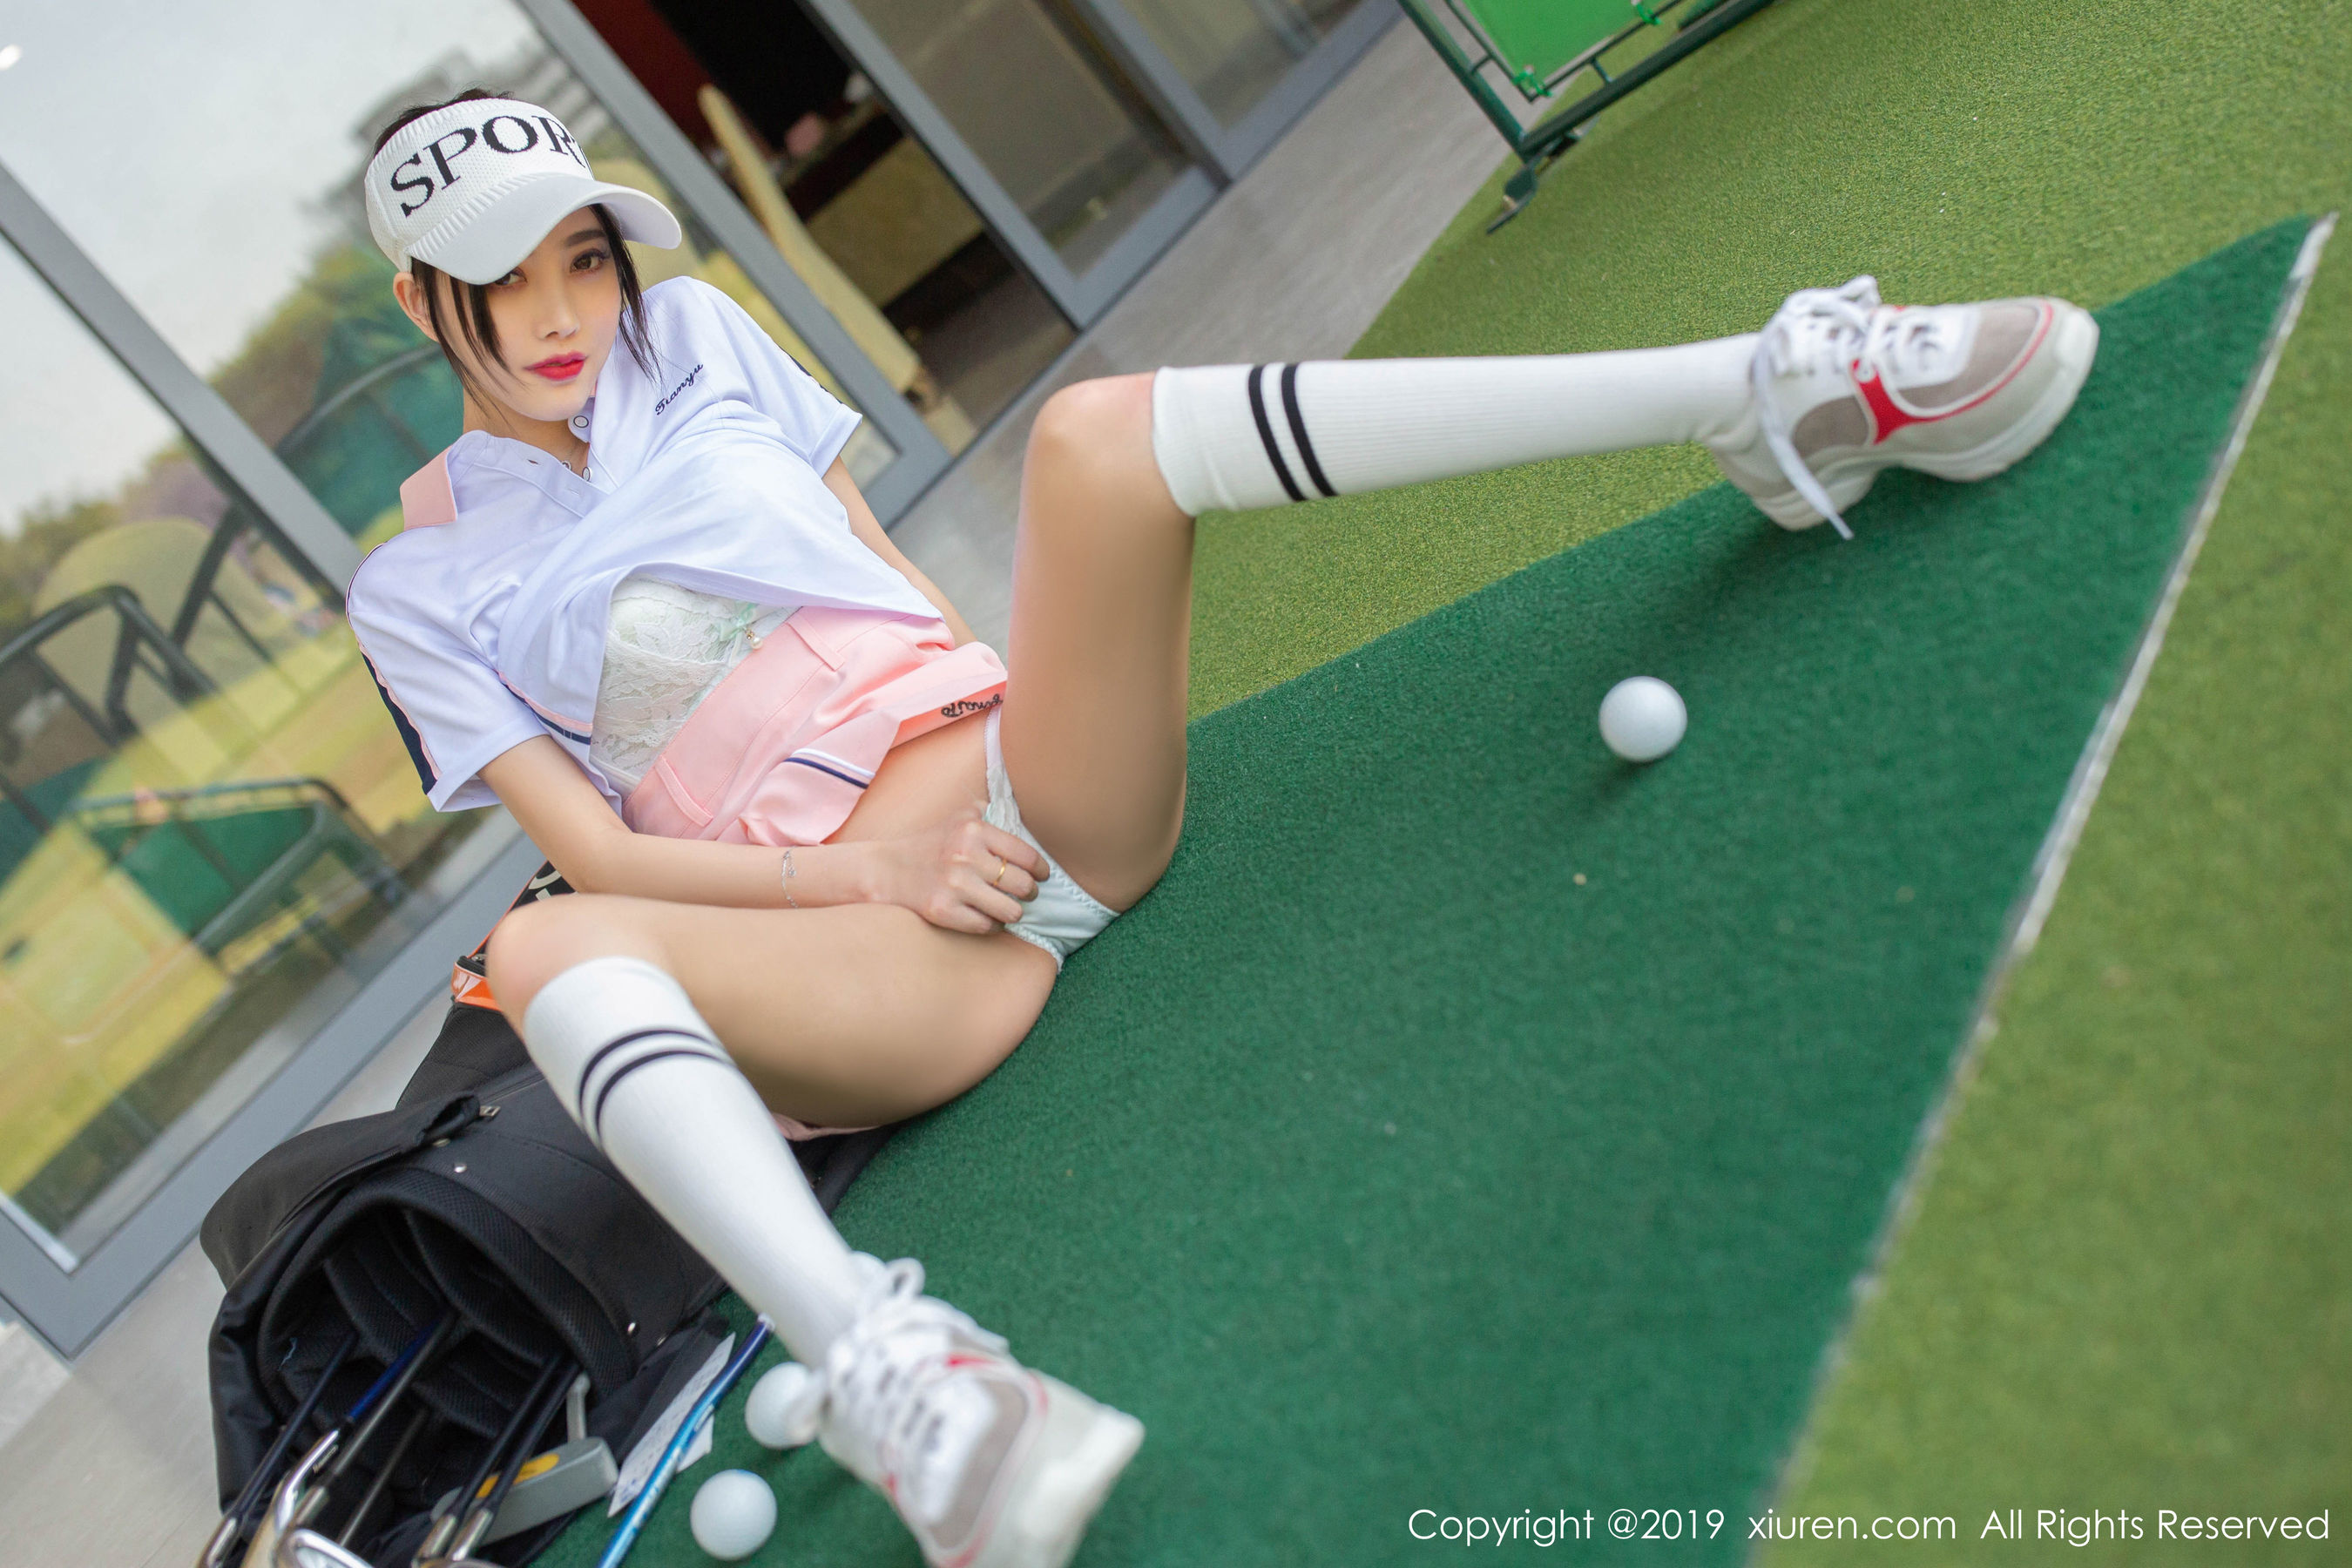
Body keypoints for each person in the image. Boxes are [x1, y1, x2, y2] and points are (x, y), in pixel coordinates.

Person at [349, 92, 2097, 1568]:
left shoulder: (706, 341)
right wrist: (874, 867)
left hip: (1038, 796)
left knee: (1096, 438)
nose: (564, 309)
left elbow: (879, 576)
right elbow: (606, 856)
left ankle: (1763, 395)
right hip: (879, 953)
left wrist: (1013, 716)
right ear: (425, 301)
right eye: (506, 281)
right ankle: (904, 1381)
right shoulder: (419, 589)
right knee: (541, 941)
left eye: (585, 256)